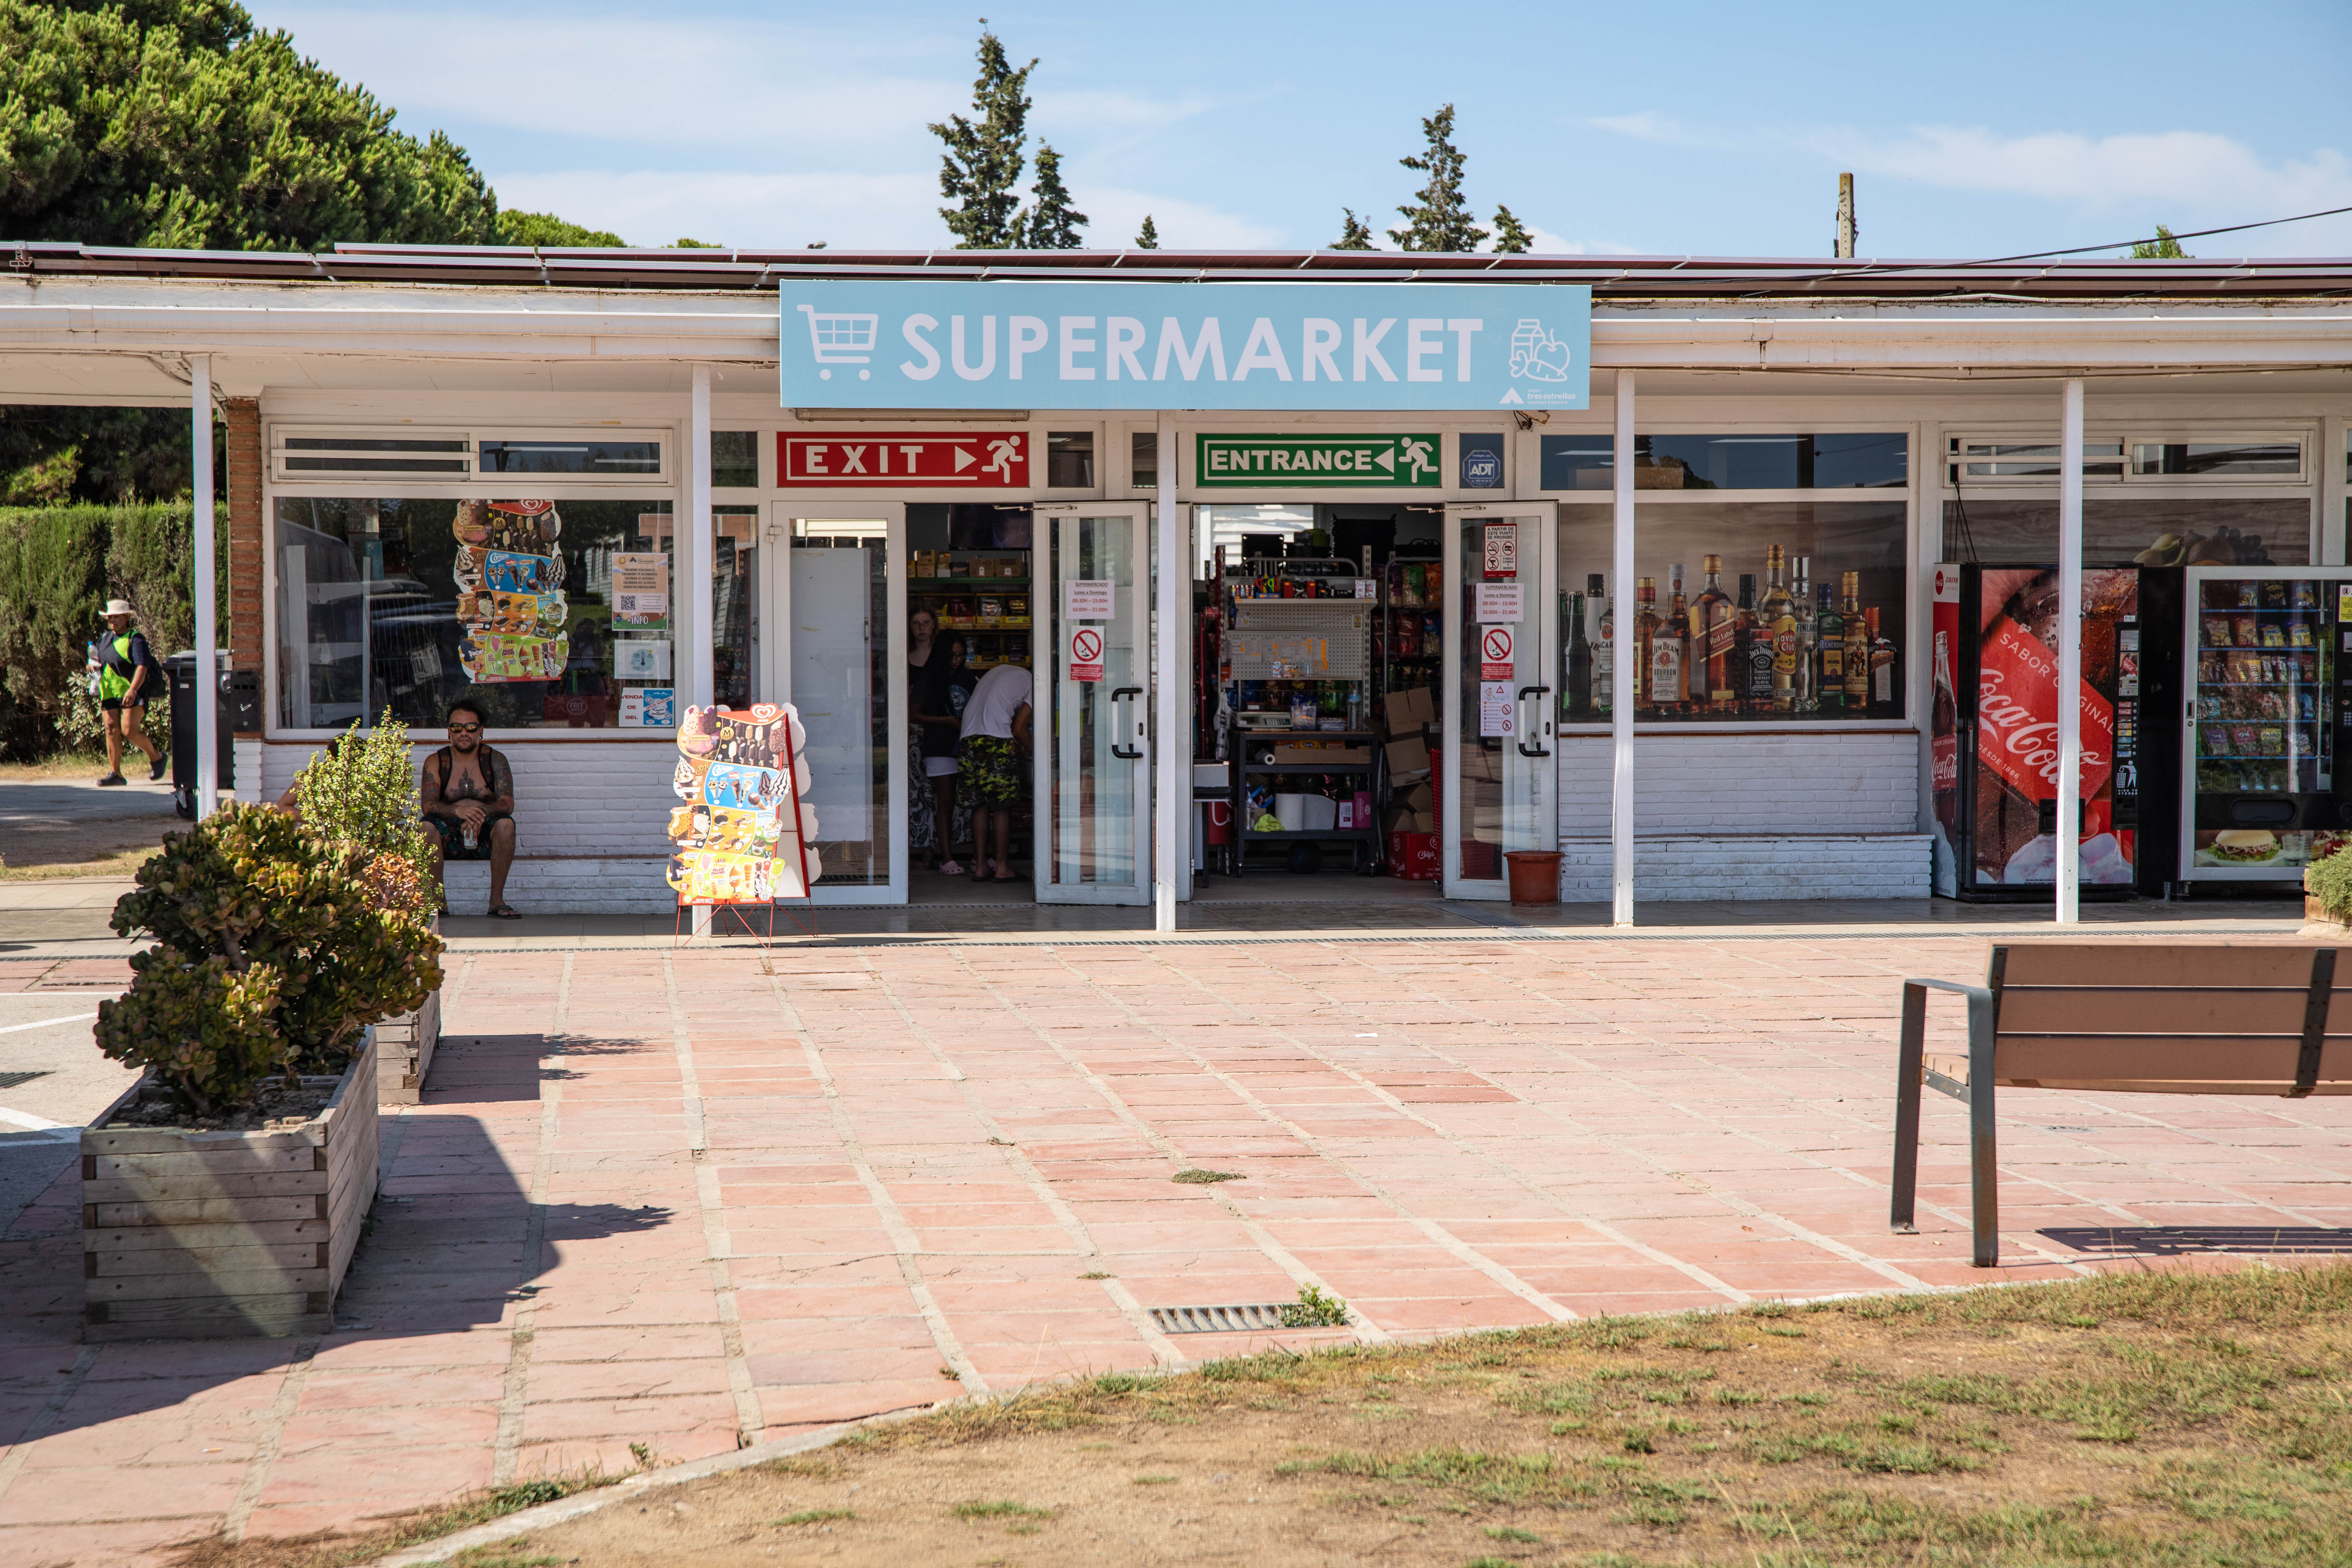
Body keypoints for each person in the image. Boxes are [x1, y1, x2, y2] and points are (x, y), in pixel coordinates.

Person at [421, 699, 520, 918]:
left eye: (471, 727)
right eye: (457, 727)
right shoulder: (436, 761)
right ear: (449, 732)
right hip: (448, 835)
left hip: (485, 832)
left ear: (480, 731)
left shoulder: (495, 760)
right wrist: (458, 812)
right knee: (425, 827)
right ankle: (438, 904)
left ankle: (497, 902)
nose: (464, 733)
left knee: (506, 825)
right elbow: (428, 806)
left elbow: (507, 803)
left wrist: (478, 815)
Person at [957, 659, 1031, 884]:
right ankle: (1002, 868)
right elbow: (1019, 729)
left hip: (968, 739)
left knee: (979, 805)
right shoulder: (1036, 683)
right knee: (1001, 806)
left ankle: (981, 867)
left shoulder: (1000, 672)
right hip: (996, 741)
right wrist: (1039, 752)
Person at [908, 608, 964, 873]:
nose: (921, 628)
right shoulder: (903, 656)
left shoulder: (944, 654)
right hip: (913, 731)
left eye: (926, 622)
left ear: (935, 625)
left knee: (943, 795)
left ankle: (946, 850)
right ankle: (926, 851)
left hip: (942, 732)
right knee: (920, 792)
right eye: (916, 623)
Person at [94, 599, 164, 786]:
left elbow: (143, 666)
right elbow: (99, 662)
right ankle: (116, 774)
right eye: (110, 617)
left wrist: (133, 690)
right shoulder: (104, 639)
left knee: (129, 732)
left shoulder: (136, 639)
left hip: (132, 691)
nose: (112, 621)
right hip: (109, 691)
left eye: (117, 617)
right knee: (111, 729)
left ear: (126, 618)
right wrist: (91, 666)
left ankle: (157, 758)